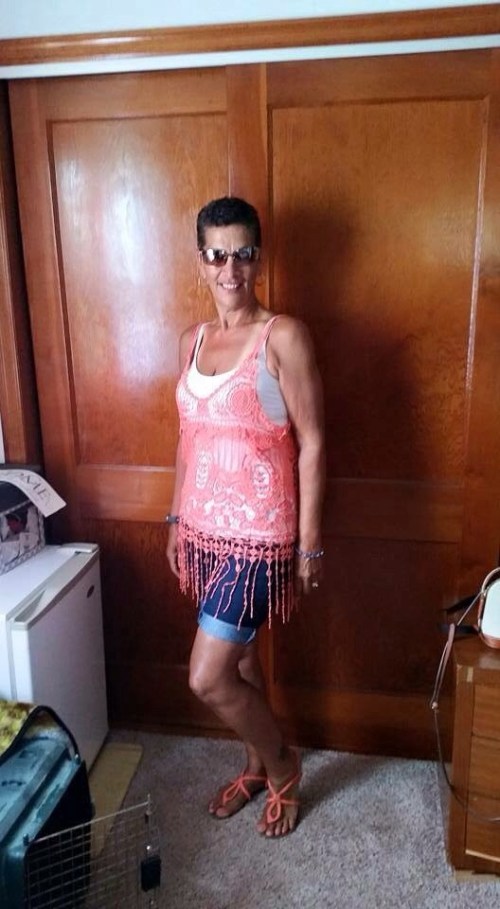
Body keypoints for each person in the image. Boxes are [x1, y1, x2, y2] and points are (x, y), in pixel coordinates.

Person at [166, 196, 325, 838]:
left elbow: (313, 441)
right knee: (242, 665)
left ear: (258, 258)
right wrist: (175, 519)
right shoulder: (192, 340)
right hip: (203, 531)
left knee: (207, 677)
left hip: (258, 539)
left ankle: (283, 766)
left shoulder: (281, 336)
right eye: (216, 254)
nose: (229, 269)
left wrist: (308, 545)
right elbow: (188, 437)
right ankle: (255, 766)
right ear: (200, 260)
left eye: (242, 253)